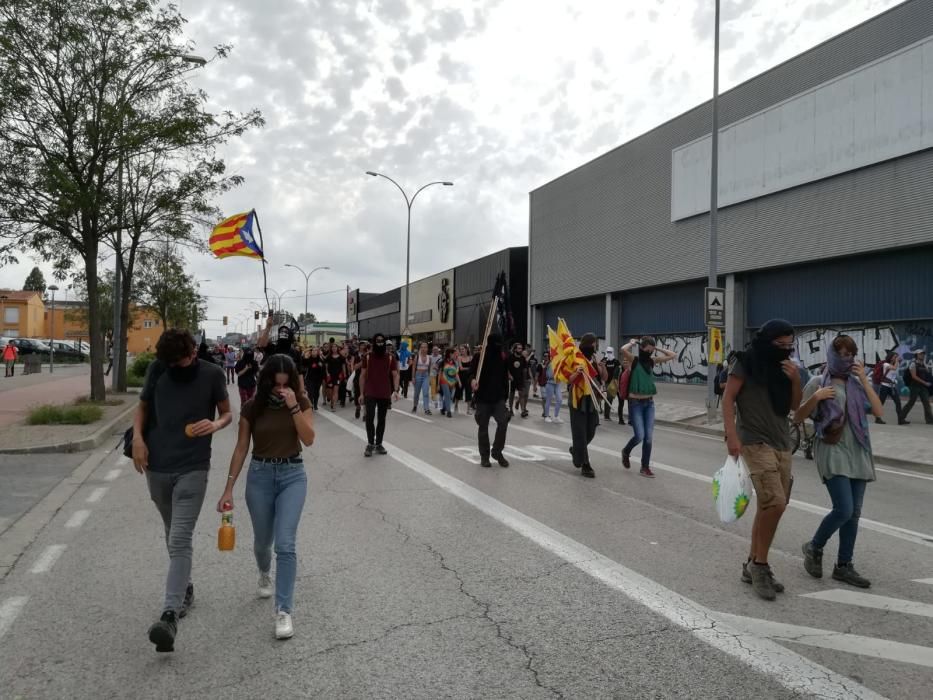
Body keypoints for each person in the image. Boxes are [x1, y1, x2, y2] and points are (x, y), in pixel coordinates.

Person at [132, 328, 232, 652]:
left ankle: (169, 615)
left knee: (179, 537)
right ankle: (185, 587)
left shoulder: (212, 374)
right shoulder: (158, 368)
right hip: (157, 465)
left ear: (193, 351)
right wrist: (137, 439)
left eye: (182, 360)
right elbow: (143, 407)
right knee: (169, 529)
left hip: (193, 465)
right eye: (171, 363)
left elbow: (227, 413)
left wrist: (215, 424)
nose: (177, 367)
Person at [217, 354, 314, 640]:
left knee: (285, 544)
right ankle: (263, 572)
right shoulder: (252, 407)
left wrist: (294, 406)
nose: (280, 389)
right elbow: (241, 448)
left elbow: (308, 439)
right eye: (276, 384)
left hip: (292, 476)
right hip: (259, 476)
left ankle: (283, 611)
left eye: (286, 384)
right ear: (267, 380)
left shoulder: (301, 402)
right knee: (263, 542)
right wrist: (228, 489)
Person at [722, 319, 802, 601]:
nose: (785, 349)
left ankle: (753, 562)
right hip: (754, 441)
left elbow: (794, 406)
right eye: (779, 344)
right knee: (774, 502)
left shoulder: (786, 368)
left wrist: (795, 379)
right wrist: (731, 436)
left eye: (789, 345)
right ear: (767, 341)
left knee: (772, 506)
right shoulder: (745, 362)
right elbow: (728, 399)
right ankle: (760, 565)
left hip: (782, 442)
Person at [795, 335, 882, 590]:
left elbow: (878, 411)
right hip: (832, 450)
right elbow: (798, 416)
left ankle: (844, 565)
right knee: (843, 509)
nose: (846, 359)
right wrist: (817, 397)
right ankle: (814, 547)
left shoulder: (856, 384)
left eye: (850, 354)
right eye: (841, 353)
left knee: (853, 514)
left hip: (858, 451)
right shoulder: (816, 382)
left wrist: (865, 381)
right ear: (831, 355)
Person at [620, 337, 676, 478]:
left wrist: (657, 348)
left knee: (648, 438)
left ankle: (644, 467)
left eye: (652, 350)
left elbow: (672, 355)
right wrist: (631, 343)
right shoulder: (634, 360)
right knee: (639, 436)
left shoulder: (652, 361)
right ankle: (626, 451)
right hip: (636, 403)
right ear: (641, 348)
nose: (650, 352)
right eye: (648, 350)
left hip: (649, 403)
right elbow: (622, 350)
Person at [568, 333, 608, 478]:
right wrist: (577, 372)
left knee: (590, 431)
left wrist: (602, 368)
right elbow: (569, 379)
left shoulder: (594, 360)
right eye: (594, 343)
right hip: (578, 399)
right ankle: (585, 465)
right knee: (580, 433)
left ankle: (576, 449)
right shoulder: (576, 358)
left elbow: (603, 378)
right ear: (589, 344)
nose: (595, 346)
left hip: (592, 400)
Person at [470, 334, 511, 468]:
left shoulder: (502, 357)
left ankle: (497, 451)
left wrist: (505, 395)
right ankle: (484, 456)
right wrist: (473, 380)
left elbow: (505, 377)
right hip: (482, 397)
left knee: (503, 422)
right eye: (496, 344)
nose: (498, 347)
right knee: (483, 427)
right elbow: (471, 373)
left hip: (498, 397)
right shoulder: (479, 357)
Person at [360, 333, 400, 456]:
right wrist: (361, 393)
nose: (380, 343)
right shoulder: (367, 357)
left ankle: (379, 444)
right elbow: (362, 376)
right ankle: (370, 444)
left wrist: (396, 390)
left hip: (384, 392)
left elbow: (395, 374)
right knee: (370, 417)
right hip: (370, 391)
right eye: (378, 341)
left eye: (382, 341)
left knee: (382, 419)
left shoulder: (390, 357)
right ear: (373, 342)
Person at [902, 349, 932, 425]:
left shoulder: (924, 365)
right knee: (911, 402)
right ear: (916, 355)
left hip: (923, 387)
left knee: (926, 402)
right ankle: (901, 417)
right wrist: (925, 383)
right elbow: (914, 376)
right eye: (920, 354)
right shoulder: (913, 364)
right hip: (914, 386)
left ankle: (930, 420)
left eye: (923, 354)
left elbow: (927, 375)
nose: (922, 355)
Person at [878, 353, 908, 425]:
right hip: (884, 386)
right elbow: (894, 368)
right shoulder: (886, 364)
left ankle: (900, 420)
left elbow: (894, 372)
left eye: (896, 357)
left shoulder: (895, 364)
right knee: (880, 403)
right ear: (891, 358)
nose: (896, 358)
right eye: (895, 357)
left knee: (898, 402)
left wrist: (899, 361)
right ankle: (877, 418)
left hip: (892, 387)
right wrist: (897, 361)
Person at [508, 342, 530, 418]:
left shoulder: (522, 358)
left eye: (521, 348)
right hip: (513, 379)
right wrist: (509, 375)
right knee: (512, 395)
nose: (520, 350)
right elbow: (506, 368)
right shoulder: (510, 357)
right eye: (519, 348)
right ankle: (510, 409)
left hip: (520, 379)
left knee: (521, 394)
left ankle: (523, 411)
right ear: (515, 349)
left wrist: (525, 379)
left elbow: (525, 369)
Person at [601, 347, 623, 423]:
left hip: (616, 382)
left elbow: (620, 370)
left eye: (610, 352)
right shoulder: (603, 361)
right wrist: (603, 384)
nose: (609, 353)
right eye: (608, 352)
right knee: (608, 399)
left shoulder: (616, 361)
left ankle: (621, 418)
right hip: (607, 383)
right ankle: (606, 415)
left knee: (621, 398)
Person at [324, 344, 347, 412]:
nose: (334, 348)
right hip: (330, 376)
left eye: (335, 347)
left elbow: (343, 367)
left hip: (338, 376)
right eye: (333, 347)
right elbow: (326, 367)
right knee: (330, 392)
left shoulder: (341, 357)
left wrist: (345, 375)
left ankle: (334, 406)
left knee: (335, 391)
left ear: (337, 348)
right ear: (331, 349)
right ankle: (332, 401)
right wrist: (327, 373)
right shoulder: (328, 357)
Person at [439, 347, 460, 418]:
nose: (454, 355)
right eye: (453, 353)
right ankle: (449, 411)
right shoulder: (443, 362)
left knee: (450, 396)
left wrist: (459, 382)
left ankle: (444, 408)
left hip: (452, 382)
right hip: (444, 381)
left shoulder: (454, 363)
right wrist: (438, 384)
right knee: (447, 395)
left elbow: (456, 373)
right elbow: (439, 373)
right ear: (449, 354)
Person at [411, 342, 432, 415]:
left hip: (426, 376)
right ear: (420, 348)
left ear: (427, 348)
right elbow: (413, 367)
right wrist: (413, 377)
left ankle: (426, 409)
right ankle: (415, 406)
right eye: (422, 347)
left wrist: (429, 378)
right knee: (417, 393)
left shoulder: (429, 357)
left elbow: (429, 369)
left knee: (426, 393)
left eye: (425, 347)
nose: (424, 349)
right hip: (418, 375)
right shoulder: (417, 356)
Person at [304, 346, 326, 411]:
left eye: (315, 351)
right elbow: (303, 363)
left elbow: (324, 368)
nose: (314, 352)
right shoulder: (308, 358)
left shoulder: (320, 359)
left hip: (318, 379)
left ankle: (315, 403)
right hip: (309, 378)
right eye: (313, 350)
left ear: (317, 352)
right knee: (310, 392)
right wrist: (306, 355)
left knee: (316, 392)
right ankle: (311, 405)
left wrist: (322, 366)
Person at [456, 345, 474, 415]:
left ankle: (468, 410)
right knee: (458, 391)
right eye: (460, 349)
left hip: (468, 377)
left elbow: (472, 368)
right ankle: (456, 405)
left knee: (468, 393)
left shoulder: (471, 357)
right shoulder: (459, 358)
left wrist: (468, 369)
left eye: (463, 349)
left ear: (466, 349)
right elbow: (461, 368)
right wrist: (469, 368)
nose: (462, 351)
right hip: (461, 377)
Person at [429, 345, 442, 410]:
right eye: (434, 350)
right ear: (432, 350)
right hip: (432, 374)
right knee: (433, 387)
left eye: (436, 350)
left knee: (438, 388)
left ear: (438, 350)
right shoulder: (430, 357)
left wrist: (437, 368)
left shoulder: (440, 357)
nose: (435, 351)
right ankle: (435, 401)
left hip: (439, 374)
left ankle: (436, 399)